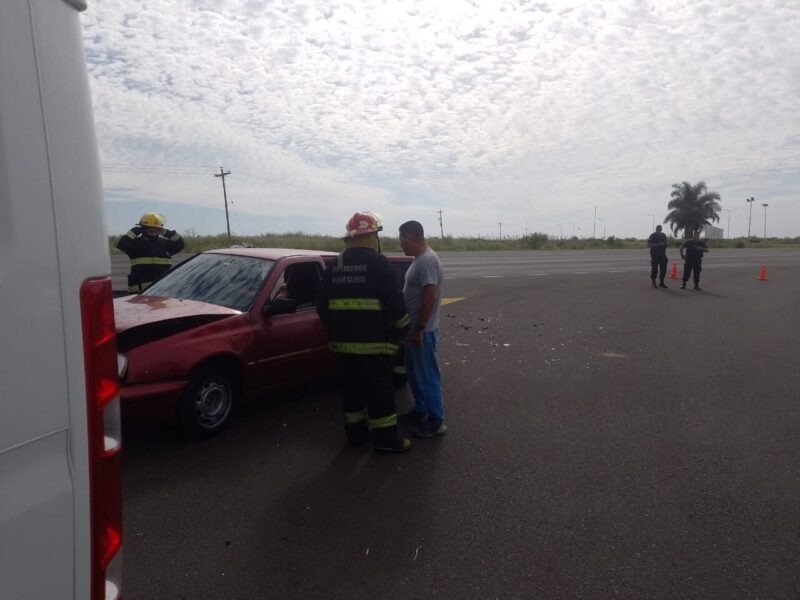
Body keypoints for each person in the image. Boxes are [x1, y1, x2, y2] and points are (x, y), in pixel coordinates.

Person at [316, 212, 412, 453]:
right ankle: (386, 440)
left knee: (351, 393)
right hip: (373, 345)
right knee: (379, 393)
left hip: (341, 345)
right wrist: (403, 329)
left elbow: (321, 305)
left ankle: (357, 436)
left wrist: (334, 328)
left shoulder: (335, 264)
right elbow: (394, 301)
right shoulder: (379, 263)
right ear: (371, 236)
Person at [397, 220, 446, 438]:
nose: (401, 245)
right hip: (414, 330)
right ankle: (421, 409)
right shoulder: (419, 259)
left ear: (410, 236)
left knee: (426, 376)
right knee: (415, 374)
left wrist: (418, 329)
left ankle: (436, 421)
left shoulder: (427, 260)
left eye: (401, 240)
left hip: (422, 332)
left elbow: (429, 295)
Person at [116, 212, 185, 293]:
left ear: (160, 231)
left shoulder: (164, 244)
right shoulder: (136, 244)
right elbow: (122, 244)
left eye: (156, 231)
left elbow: (180, 244)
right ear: (143, 230)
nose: (154, 234)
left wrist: (168, 233)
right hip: (140, 292)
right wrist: (134, 231)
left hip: (162, 290)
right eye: (151, 231)